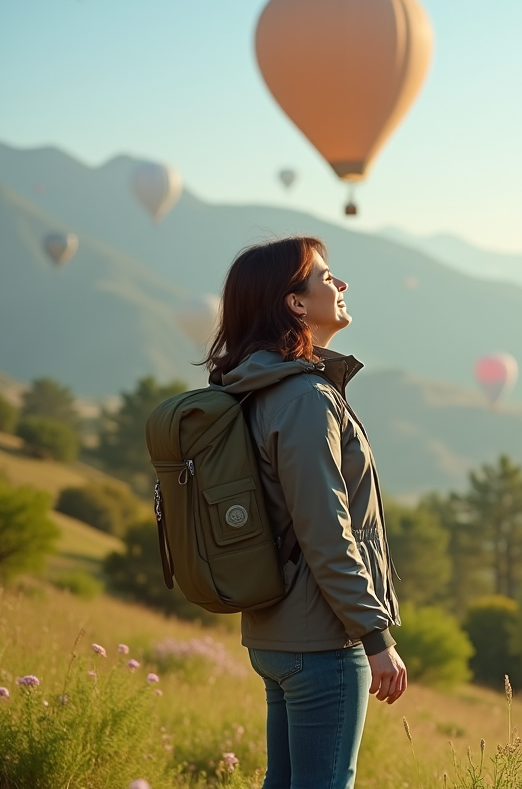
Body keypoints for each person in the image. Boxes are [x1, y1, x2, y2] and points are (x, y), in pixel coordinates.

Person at [201, 236, 406, 789]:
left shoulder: (254, 386)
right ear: (295, 304)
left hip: (275, 632)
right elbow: (326, 530)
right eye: (326, 277)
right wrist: (375, 635)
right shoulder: (303, 398)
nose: (340, 286)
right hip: (322, 640)